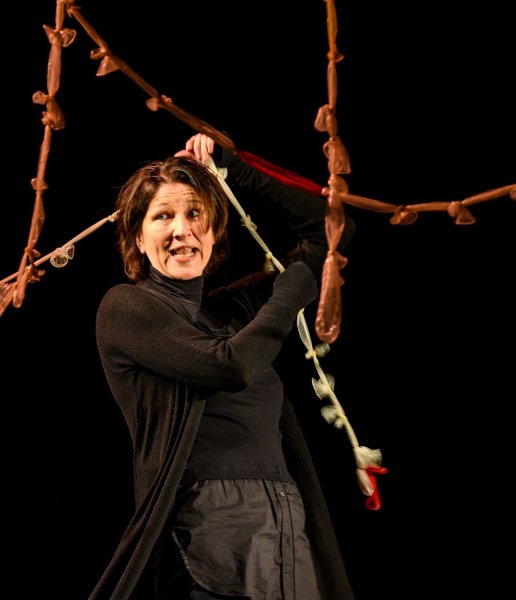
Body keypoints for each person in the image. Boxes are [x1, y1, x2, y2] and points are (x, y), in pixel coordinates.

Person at [91, 133, 357, 600]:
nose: (181, 229)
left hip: (286, 515)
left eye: (195, 214)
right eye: (163, 216)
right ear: (137, 235)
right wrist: (291, 290)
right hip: (211, 522)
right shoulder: (127, 307)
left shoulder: (235, 309)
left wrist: (234, 166)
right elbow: (230, 366)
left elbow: (331, 231)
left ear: (215, 230)